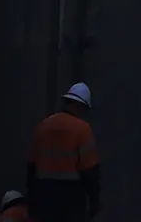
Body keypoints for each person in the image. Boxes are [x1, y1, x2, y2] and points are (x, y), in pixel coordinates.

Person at [26, 83, 100, 222]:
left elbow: (31, 167)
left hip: (44, 196)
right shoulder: (82, 129)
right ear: (81, 106)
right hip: (71, 198)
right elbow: (90, 171)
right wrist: (94, 200)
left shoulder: (43, 126)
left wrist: (32, 201)